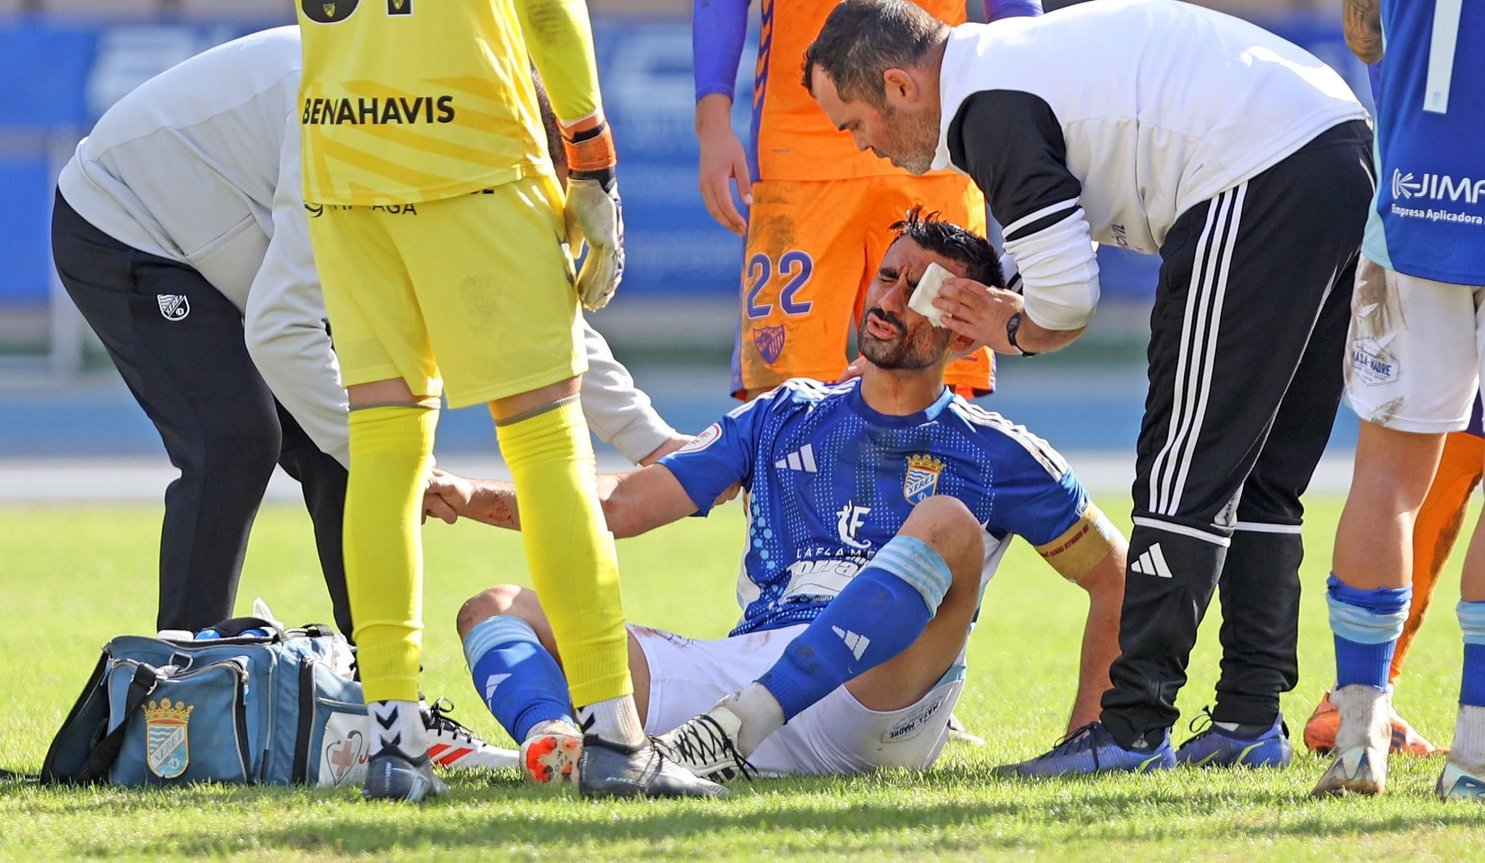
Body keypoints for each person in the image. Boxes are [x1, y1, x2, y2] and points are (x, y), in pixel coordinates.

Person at [53, 25, 687, 773]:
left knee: (344, 454)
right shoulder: (353, 120)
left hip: (230, 225)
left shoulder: (483, 148)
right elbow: (281, 327)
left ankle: (387, 705)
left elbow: (544, 324)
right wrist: (405, 471)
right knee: (237, 439)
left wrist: (655, 442)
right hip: (123, 221)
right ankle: (183, 707)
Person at [800, 0, 1373, 774]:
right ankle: (1248, 718)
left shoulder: (985, 103)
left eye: (856, 122)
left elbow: (1067, 301)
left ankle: (1133, 730)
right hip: (1331, 142)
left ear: (901, 86)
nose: (865, 145)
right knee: (1264, 472)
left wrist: (1008, 324)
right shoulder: (1008, 65)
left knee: (1182, 467)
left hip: (1257, 163)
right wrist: (1018, 312)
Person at [427, 211, 1125, 781]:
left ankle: (735, 729)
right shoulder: (786, 411)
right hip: (750, 664)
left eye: (919, 291)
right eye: (886, 276)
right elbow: (623, 506)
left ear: (966, 328)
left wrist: (1083, 744)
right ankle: (557, 749)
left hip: (880, 703)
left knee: (945, 521)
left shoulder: (997, 450)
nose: (887, 301)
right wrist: (470, 494)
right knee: (497, 609)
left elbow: (1114, 578)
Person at [694, 0, 1040, 401]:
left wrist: (1029, 100)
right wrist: (712, 122)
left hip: (935, 137)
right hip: (800, 153)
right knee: (784, 397)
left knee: (934, 381)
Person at [1300, 0, 1483, 759]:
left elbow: (1364, 33)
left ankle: (1358, 738)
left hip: (1413, 201)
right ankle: (1476, 757)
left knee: (1385, 476)